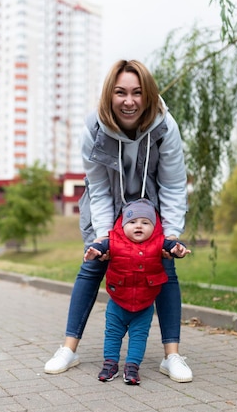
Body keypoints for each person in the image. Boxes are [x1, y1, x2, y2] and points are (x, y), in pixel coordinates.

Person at [44, 59, 193, 383]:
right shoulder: (93, 129)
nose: (129, 101)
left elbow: (172, 184)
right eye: (121, 92)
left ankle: (172, 356)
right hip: (107, 206)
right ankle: (69, 349)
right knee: (92, 266)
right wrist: (102, 237)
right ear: (110, 95)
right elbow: (97, 188)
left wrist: (169, 236)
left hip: (148, 210)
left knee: (164, 269)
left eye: (137, 92)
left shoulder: (165, 128)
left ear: (148, 95)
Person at [84, 198, 191, 385]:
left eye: (145, 222)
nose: (138, 226)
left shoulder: (159, 242)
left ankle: (132, 367)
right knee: (112, 334)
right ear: (123, 225)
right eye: (132, 222)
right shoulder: (113, 241)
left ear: (154, 226)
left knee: (139, 337)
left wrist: (178, 249)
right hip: (118, 302)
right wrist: (95, 251)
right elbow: (101, 247)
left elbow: (171, 247)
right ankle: (110, 363)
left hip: (144, 304)